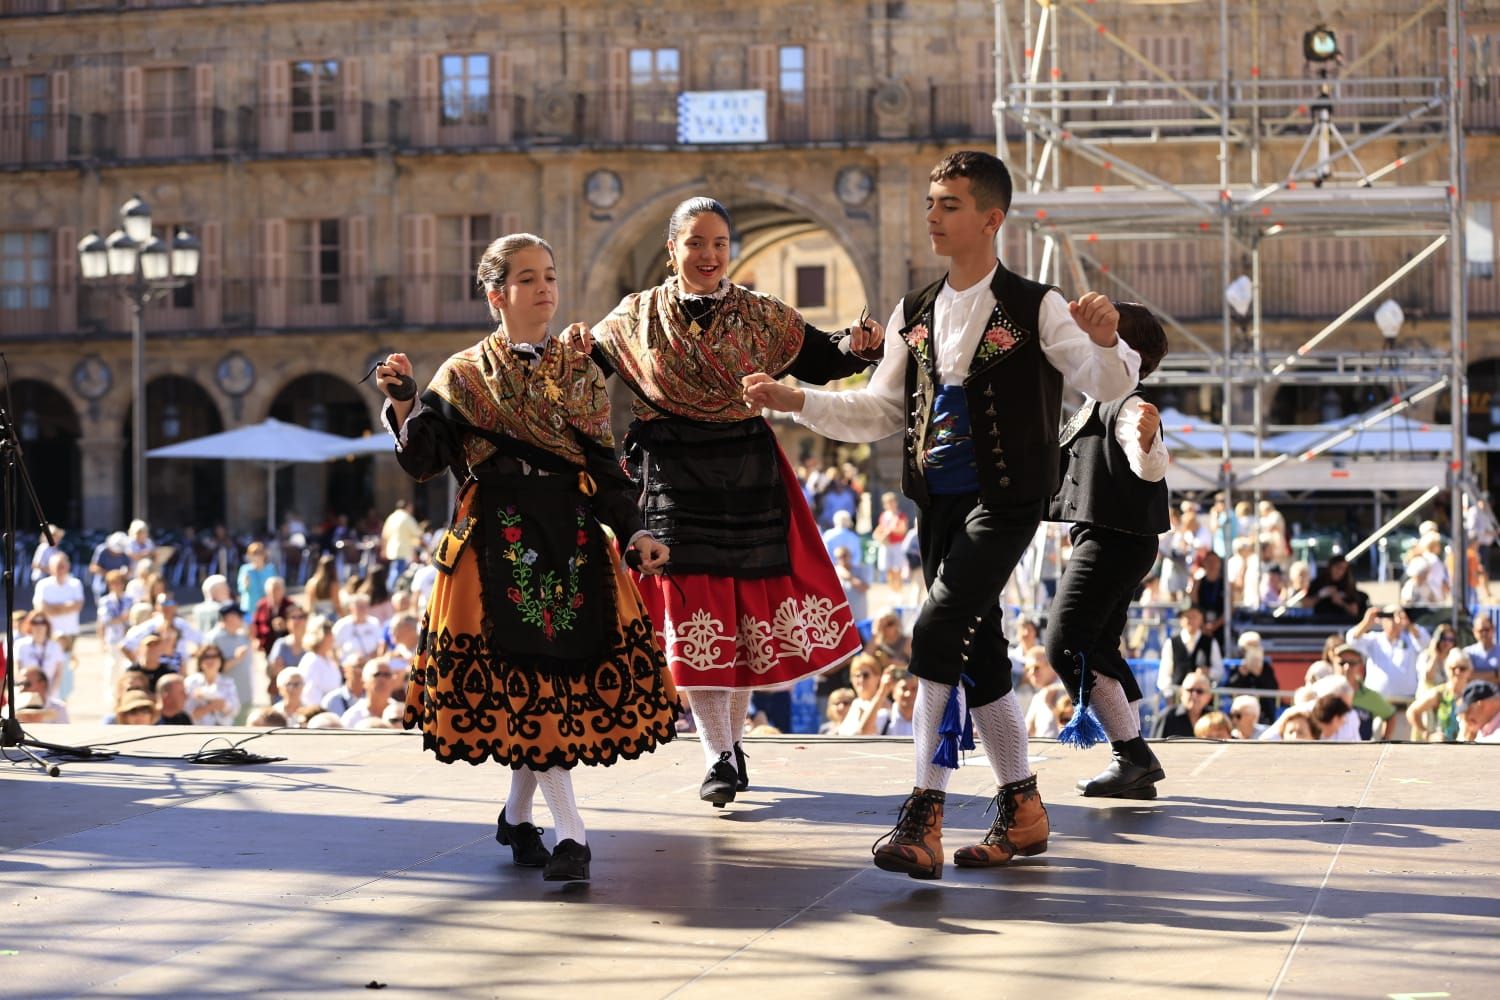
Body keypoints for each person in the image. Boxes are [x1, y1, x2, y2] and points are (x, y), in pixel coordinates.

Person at [744, 150, 1139, 879]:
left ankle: (922, 811)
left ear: (991, 218)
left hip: (1007, 500)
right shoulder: (914, 312)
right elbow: (879, 410)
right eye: (930, 201)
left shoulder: (1036, 306)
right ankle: (1022, 807)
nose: (933, 214)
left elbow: (1102, 381)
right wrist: (798, 399)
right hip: (936, 502)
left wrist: (1109, 337)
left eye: (950, 203)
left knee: (936, 625)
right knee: (979, 651)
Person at [376, 231, 679, 881]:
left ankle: (517, 819)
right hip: (498, 543)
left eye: (550, 275)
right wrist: (403, 400)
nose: (544, 288)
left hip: (569, 537)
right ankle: (573, 836)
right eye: (527, 278)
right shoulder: (461, 374)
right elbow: (423, 460)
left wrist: (635, 532)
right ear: (496, 294)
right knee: (538, 690)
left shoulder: (578, 371)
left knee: (546, 691)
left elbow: (607, 470)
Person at [588, 197, 872, 808]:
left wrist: (861, 344)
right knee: (695, 607)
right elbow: (583, 372)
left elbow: (824, 359)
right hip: (666, 467)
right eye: (695, 243)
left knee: (739, 614)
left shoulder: (762, 315)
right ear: (672, 249)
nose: (709, 255)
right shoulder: (632, 316)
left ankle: (728, 746)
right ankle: (719, 754)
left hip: (745, 466)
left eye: (719, 243)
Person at [1040, 301, 1169, 799]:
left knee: (1066, 645)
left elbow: (1148, 464)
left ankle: (1133, 755)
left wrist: (1149, 443)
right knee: (1097, 647)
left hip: (1116, 538)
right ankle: (1130, 762)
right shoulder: (1096, 400)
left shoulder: (1130, 404)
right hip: (1114, 537)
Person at [1345, 604, 1424, 703]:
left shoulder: (1411, 638)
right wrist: (1367, 622)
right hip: (1377, 701)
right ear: (1382, 620)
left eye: (1396, 616)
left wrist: (1408, 624)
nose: (1393, 620)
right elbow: (1352, 640)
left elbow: (1425, 642)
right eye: (1388, 616)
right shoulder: (1374, 639)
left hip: (1405, 700)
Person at [1406, 648, 1473, 742]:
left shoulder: (1473, 694)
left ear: (1470, 671)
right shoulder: (1440, 693)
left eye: (1462, 668)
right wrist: (1427, 734)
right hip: (1441, 747)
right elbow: (1412, 711)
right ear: (1447, 669)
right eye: (1453, 668)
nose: (1457, 672)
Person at [1332, 644, 1396, 741]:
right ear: (1333, 664)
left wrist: (1384, 740)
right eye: (1342, 663)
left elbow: (1390, 716)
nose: (1346, 667)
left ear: (1361, 665)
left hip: (1362, 752)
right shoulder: (1322, 692)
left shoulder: (1370, 696)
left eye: (1352, 663)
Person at [1156, 607, 1223, 696]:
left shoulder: (1210, 642)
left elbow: (1220, 672)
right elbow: (1164, 674)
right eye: (1187, 617)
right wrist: (1169, 694)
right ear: (1180, 620)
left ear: (1201, 619)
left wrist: (1209, 672)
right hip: (1177, 698)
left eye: (1194, 616)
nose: (1190, 620)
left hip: (1203, 699)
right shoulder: (1171, 643)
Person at [207, 602, 255, 725]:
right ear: (230, 618)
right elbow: (213, 669)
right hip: (225, 699)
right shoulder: (215, 638)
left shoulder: (242, 636)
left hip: (245, 695)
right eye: (239, 616)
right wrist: (236, 659)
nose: (242, 620)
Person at [1224, 631, 1281, 726]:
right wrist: (1241, 674)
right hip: (1240, 715)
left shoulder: (1266, 668)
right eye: (1248, 648)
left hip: (1263, 715)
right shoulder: (1236, 666)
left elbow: (1274, 688)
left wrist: (1260, 673)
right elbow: (1227, 689)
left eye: (1255, 647)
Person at [32, 552, 85, 654]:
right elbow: (41, 609)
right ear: (50, 567)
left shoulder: (75, 583)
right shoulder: (43, 584)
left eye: (62, 566)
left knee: (66, 665)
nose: (60, 569)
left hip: (70, 632)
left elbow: (77, 606)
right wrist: (66, 606)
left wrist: (53, 608)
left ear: (68, 566)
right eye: (57, 566)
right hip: (48, 633)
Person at [184, 644, 240, 726]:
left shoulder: (228, 683)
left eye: (215, 656)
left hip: (223, 732)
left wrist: (222, 705)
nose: (210, 660)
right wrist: (212, 706)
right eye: (206, 657)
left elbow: (235, 710)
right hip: (198, 731)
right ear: (200, 661)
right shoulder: (191, 682)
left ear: (221, 660)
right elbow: (188, 713)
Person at [1151, 673, 1213, 738]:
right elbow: (1154, 746)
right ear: (1181, 693)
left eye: (1199, 691)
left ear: (1209, 696)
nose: (1194, 695)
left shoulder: (1214, 720)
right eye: (1190, 690)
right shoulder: (1167, 717)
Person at [380, 500, 423, 592]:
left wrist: (383, 549)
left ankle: (391, 592)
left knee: (394, 572)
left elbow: (384, 535)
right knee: (397, 574)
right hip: (402, 550)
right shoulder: (406, 517)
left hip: (392, 550)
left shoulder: (391, 517)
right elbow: (418, 534)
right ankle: (391, 593)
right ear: (407, 507)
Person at [1307, 554, 1366, 621]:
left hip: (1342, 623)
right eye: (1338, 567)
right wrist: (1320, 595)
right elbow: (1306, 605)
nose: (1340, 571)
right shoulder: (1318, 582)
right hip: (1320, 623)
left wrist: (1341, 603)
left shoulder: (1348, 585)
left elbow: (1354, 611)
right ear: (1331, 567)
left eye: (1343, 569)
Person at [872, 493, 911, 589]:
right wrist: (880, 535)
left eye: (891, 502)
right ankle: (893, 590)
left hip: (897, 545)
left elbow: (903, 531)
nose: (889, 505)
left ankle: (899, 591)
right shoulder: (883, 516)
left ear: (895, 503)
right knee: (888, 570)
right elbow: (879, 529)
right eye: (887, 503)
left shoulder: (900, 515)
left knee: (897, 569)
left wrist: (890, 530)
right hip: (886, 545)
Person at [831, 546, 871, 623]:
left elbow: (864, 587)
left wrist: (847, 576)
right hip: (843, 617)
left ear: (850, 556)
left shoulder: (861, 570)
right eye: (839, 557)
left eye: (844, 555)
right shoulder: (834, 573)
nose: (842, 559)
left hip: (859, 616)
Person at [237, 541, 275, 616]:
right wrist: (246, 584)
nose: (258, 556)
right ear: (249, 555)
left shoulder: (270, 569)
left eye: (260, 552)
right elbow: (241, 589)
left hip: (266, 607)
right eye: (254, 553)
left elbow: (274, 588)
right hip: (249, 607)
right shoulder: (245, 569)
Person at [1464, 615, 1500, 682]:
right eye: (1480, 630)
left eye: (1486, 630)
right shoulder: (1468, 652)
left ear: (1493, 629)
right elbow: (1466, 676)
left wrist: (1476, 675)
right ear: (1474, 632)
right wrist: (1495, 674)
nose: (1484, 633)